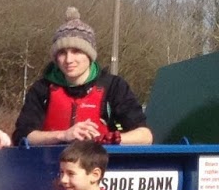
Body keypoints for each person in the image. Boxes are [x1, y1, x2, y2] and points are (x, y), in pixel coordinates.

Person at [12, 8, 153, 147]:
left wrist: (108, 139)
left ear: (89, 55)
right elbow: (23, 136)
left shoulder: (114, 87)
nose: (69, 60)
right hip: (50, 163)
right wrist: (63, 135)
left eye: (76, 51)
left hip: (99, 165)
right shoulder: (42, 89)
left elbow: (145, 136)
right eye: (62, 53)